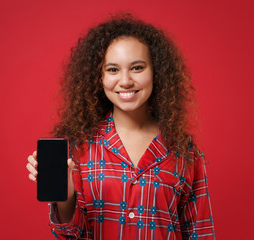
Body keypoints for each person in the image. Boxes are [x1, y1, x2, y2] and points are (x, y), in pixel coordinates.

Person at [26, 13, 215, 239]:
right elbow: (69, 234)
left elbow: (200, 233)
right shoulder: (78, 147)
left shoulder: (185, 151)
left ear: (157, 73)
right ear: (99, 77)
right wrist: (66, 195)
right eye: (113, 70)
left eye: (137, 68)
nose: (125, 81)